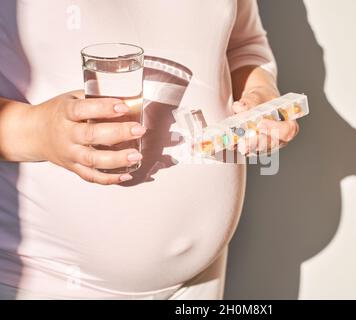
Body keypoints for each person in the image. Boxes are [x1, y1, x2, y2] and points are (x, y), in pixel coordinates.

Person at [0, 0, 299, 299]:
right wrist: (38, 130)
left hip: (201, 283)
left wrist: (259, 94)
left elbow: (243, 43)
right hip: (49, 282)